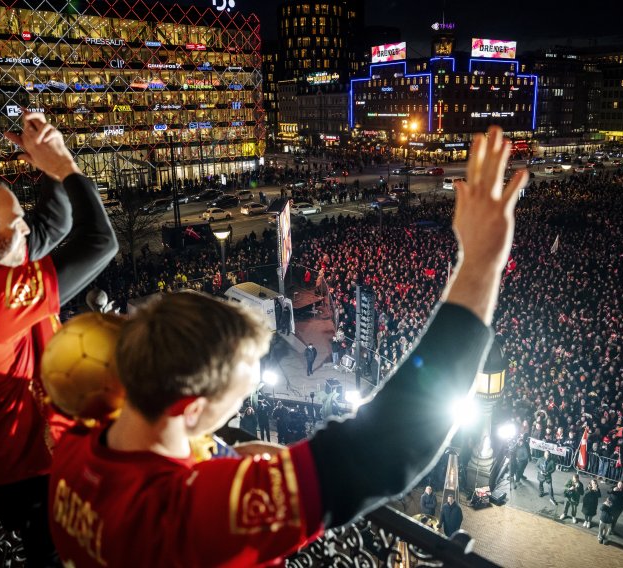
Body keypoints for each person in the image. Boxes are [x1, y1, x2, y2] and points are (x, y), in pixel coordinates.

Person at [47, 126, 527, 566]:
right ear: (192, 409)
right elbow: (388, 448)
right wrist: (481, 264)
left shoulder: (76, 449)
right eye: (237, 397)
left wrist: (231, 453)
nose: (247, 400)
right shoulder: (207, 510)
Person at [0, 112, 117, 566]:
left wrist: (45, 171)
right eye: (14, 220)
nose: (25, 229)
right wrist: (64, 167)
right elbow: (98, 243)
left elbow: (51, 228)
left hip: (17, 459)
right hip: (34, 468)